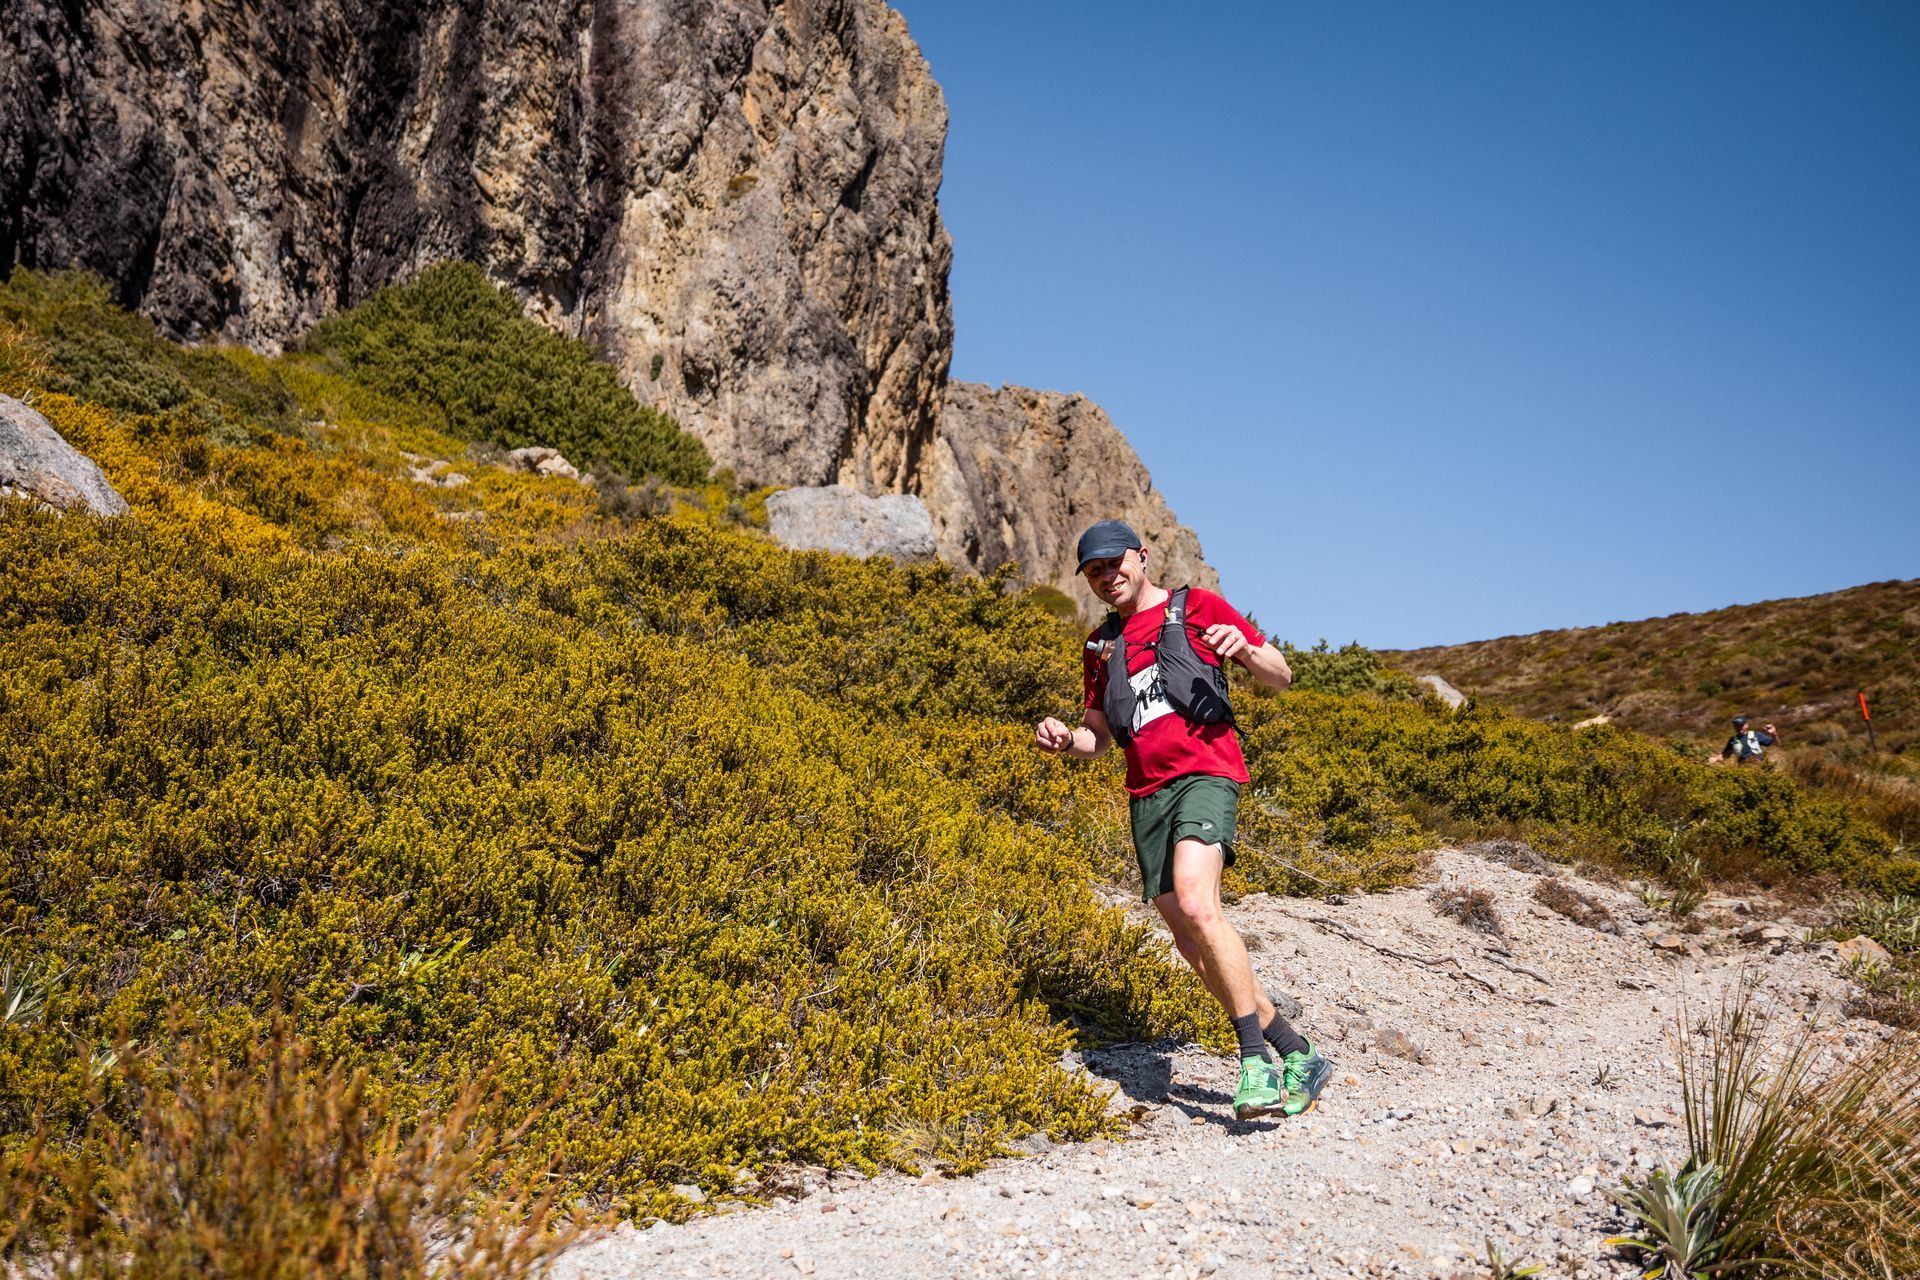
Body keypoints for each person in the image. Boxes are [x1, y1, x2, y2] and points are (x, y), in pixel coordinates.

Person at [1033, 519, 1330, 1121]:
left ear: (1142, 558)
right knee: (1190, 943)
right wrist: (1067, 741)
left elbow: (1281, 674)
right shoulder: (1099, 646)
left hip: (1206, 774)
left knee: (1199, 904)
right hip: (1146, 794)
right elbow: (1099, 738)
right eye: (1094, 571)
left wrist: (1242, 648)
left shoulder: (1197, 607)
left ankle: (1254, 1064)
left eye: (1115, 563)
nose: (1106, 576)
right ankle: (1296, 1051)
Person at [1713, 715, 1780, 765]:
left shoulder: (1756, 734)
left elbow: (1776, 744)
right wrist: (1714, 759)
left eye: (1741, 726)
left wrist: (1774, 734)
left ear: (1746, 725)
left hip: (1758, 768)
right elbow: (1724, 755)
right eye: (1736, 726)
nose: (1739, 728)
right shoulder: (1733, 740)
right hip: (1744, 771)